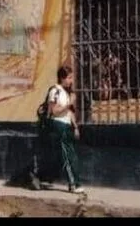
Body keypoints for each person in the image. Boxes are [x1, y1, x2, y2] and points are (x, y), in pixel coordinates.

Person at [37, 65, 84, 194]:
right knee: (67, 155)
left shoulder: (66, 92)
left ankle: (49, 179)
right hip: (58, 124)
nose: (71, 81)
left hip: (66, 125)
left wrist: (75, 126)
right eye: (69, 78)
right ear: (62, 78)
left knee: (67, 154)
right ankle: (73, 184)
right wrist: (69, 103)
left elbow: (69, 112)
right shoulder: (55, 91)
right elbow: (55, 111)